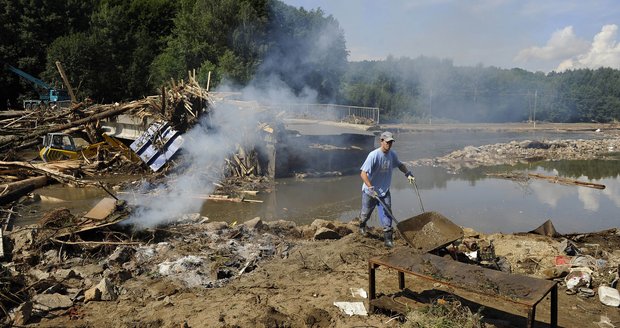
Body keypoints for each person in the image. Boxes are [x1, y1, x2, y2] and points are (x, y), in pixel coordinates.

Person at [359, 131, 415, 247]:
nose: (389, 144)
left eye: (391, 142)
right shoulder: (374, 155)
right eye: (387, 142)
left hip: (384, 191)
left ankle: (388, 240)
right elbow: (363, 174)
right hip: (370, 192)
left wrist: (408, 174)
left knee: (387, 213)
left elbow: (400, 165)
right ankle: (362, 225)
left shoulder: (392, 155)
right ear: (381, 141)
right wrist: (370, 187)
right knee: (366, 213)